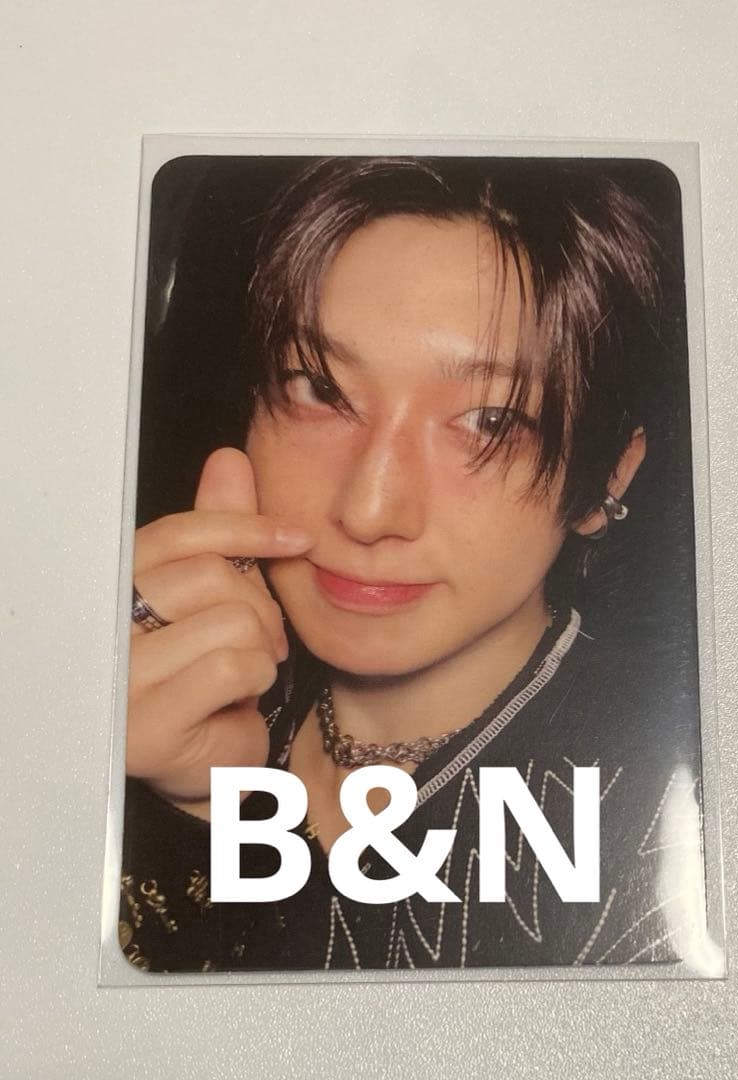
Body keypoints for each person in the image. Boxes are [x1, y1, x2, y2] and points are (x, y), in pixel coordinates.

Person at [119, 156, 706, 972]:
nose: (368, 510)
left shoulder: (684, 812)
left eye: (491, 420)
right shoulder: (152, 691)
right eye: (319, 388)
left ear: (608, 474)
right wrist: (161, 804)